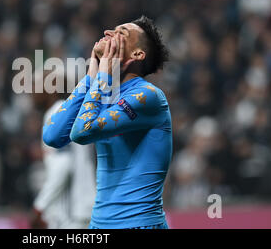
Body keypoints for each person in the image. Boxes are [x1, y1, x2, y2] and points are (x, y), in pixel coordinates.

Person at [43, 16, 172, 229]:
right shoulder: (103, 91)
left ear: (137, 54)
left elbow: (81, 133)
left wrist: (102, 76)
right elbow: (52, 136)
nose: (108, 33)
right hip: (99, 226)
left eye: (121, 33)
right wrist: (89, 79)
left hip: (138, 224)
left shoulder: (148, 96)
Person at [32, 73, 96, 229]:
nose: (32, 91)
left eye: (37, 85)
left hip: (71, 212)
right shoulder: (70, 111)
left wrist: (40, 206)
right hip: (84, 204)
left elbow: (63, 165)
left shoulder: (56, 113)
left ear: (52, 89)